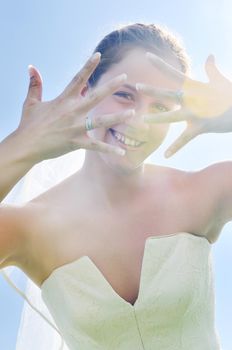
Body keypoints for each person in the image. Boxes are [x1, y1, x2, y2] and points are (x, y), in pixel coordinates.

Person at [0, 22, 231, 349]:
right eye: (124, 95)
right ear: (85, 94)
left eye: (161, 106)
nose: (139, 119)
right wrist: (22, 146)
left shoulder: (206, 191)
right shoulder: (31, 226)